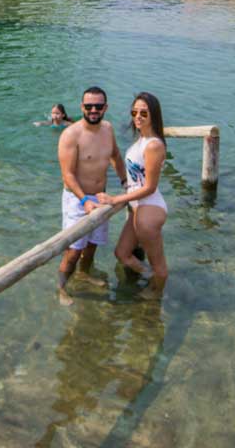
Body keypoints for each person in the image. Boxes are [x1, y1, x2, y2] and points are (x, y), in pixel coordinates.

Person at [56, 86, 128, 306]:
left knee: (92, 246)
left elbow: (115, 155)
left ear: (105, 107)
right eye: (89, 106)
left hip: (101, 198)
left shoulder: (108, 129)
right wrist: (85, 201)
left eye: (98, 106)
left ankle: (83, 274)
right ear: (82, 108)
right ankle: (60, 288)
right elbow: (67, 174)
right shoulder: (71, 135)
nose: (94, 110)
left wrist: (126, 182)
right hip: (77, 200)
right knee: (73, 251)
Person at [108, 92, 169, 290]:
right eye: (135, 112)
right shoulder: (141, 141)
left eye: (144, 112)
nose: (138, 116)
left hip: (149, 209)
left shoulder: (154, 145)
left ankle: (155, 299)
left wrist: (117, 198)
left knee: (159, 266)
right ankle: (150, 278)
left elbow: (150, 187)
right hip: (138, 208)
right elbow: (136, 179)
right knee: (122, 253)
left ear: (154, 115)